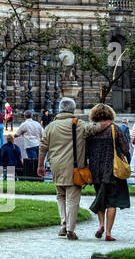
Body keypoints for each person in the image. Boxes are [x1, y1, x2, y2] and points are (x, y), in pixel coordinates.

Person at [37, 97, 103, 240]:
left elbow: (42, 147)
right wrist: (108, 121)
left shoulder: (50, 126)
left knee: (60, 196)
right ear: (73, 109)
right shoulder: (78, 124)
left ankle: (63, 224)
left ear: (60, 109)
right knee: (72, 200)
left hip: (55, 167)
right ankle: (70, 230)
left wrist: (40, 166)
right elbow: (96, 128)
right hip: (73, 169)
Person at [85, 105, 129, 240]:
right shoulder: (115, 129)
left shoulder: (92, 130)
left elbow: (86, 151)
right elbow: (125, 148)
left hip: (95, 170)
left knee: (100, 197)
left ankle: (101, 225)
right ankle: (108, 233)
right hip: (112, 169)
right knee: (112, 202)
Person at [15, 111, 43, 177]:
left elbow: (16, 134)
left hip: (30, 144)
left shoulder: (24, 124)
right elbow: (43, 133)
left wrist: (22, 133)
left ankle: (34, 175)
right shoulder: (37, 123)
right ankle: (39, 174)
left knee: (33, 161)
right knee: (38, 161)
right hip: (38, 143)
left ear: (24, 116)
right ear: (32, 116)